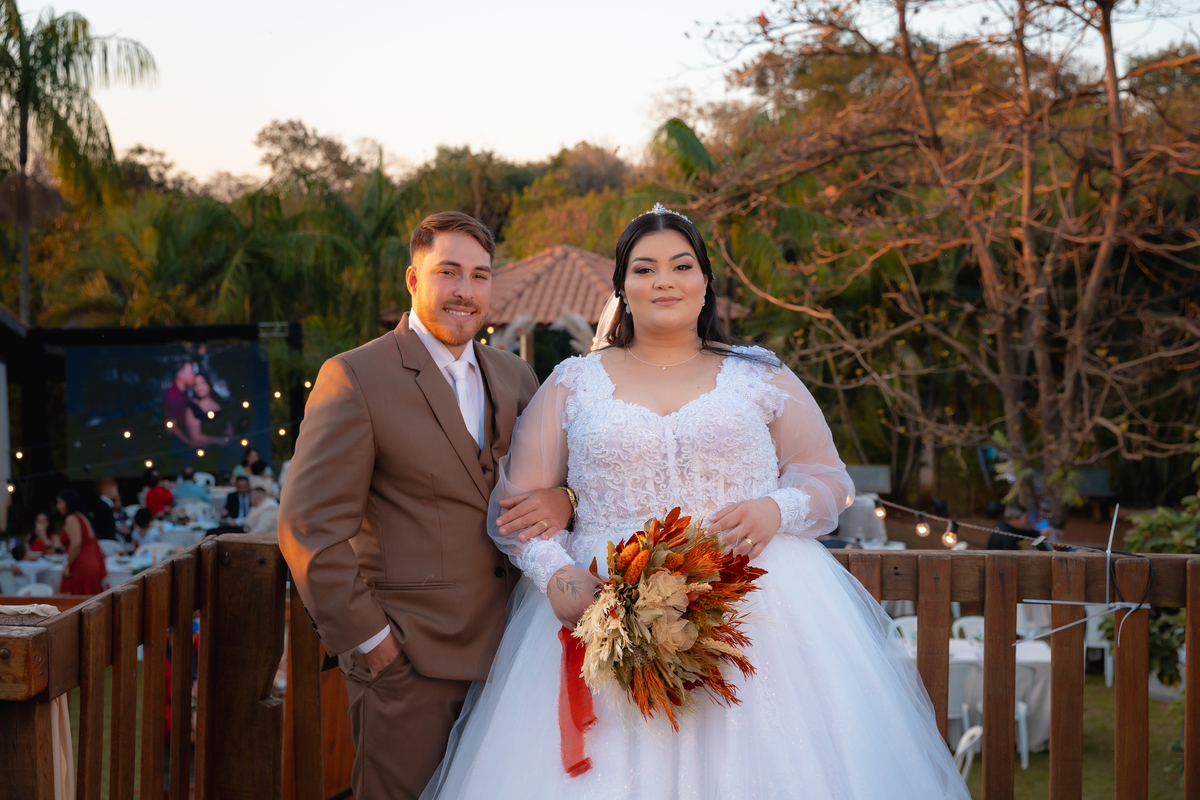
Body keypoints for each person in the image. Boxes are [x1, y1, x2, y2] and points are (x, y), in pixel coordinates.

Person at [422, 206, 970, 799]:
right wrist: (557, 573)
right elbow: (517, 511)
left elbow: (828, 481)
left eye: (682, 266)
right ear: (622, 286)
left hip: (757, 606)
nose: (664, 281)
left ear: (705, 281)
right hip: (607, 602)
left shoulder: (760, 373)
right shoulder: (572, 382)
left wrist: (775, 510)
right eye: (644, 269)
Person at [277, 210, 575, 800]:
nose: (466, 290)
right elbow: (308, 527)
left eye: (480, 276)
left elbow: (563, 480)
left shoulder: (515, 375)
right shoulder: (354, 377)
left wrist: (564, 499)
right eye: (448, 272)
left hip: (512, 663)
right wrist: (372, 644)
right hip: (408, 666)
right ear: (413, 279)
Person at [57, 489, 108, 595]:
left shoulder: (72, 518)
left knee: (74, 600)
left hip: (82, 564)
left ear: (68, 502)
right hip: (92, 562)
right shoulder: (82, 516)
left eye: (60, 502)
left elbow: (76, 543)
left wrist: (68, 565)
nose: (58, 506)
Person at [184, 372, 233, 447]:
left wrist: (228, 437)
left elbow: (228, 422)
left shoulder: (219, 400)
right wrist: (219, 441)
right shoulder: (193, 408)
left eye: (202, 383)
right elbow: (195, 437)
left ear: (208, 383)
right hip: (208, 449)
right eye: (196, 385)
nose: (199, 388)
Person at [163, 362, 196, 444]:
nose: (193, 375)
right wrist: (189, 443)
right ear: (181, 375)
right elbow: (171, 426)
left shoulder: (183, 393)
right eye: (191, 372)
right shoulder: (172, 395)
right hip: (180, 444)